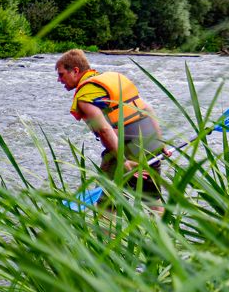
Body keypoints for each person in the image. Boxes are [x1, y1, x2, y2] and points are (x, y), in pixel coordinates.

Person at [55, 49, 166, 198]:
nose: (59, 80)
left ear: (75, 71)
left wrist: (123, 162)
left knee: (106, 204)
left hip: (126, 149)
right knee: (152, 201)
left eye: (61, 74)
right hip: (151, 142)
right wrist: (160, 144)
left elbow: (104, 130)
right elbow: (148, 109)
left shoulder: (84, 97)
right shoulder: (111, 79)